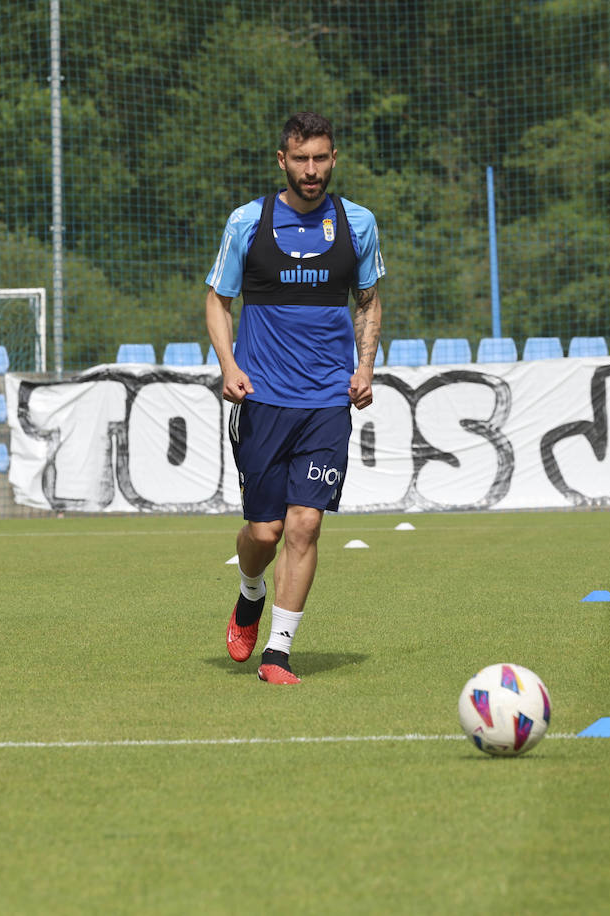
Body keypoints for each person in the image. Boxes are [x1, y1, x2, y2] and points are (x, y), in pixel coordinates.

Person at [204, 111, 385, 685]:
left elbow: (369, 300)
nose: (312, 170)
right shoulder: (247, 222)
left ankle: (278, 653)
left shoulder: (357, 224)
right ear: (282, 160)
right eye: (301, 159)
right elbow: (216, 301)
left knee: (304, 524)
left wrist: (364, 368)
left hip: (327, 402)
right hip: (262, 399)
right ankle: (249, 592)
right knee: (265, 532)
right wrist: (229, 365)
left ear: (335, 159)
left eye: (322, 158)